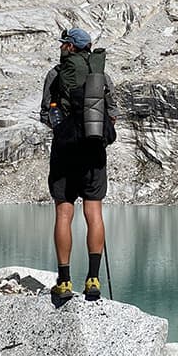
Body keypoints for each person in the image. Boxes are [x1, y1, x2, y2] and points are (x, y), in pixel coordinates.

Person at [39, 27, 116, 302]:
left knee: (64, 214)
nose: (61, 47)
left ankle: (64, 281)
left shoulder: (56, 75)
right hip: (94, 152)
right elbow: (113, 114)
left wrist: (65, 128)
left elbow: (46, 115)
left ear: (71, 47)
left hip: (64, 152)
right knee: (94, 213)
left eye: (64, 44)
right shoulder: (101, 76)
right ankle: (93, 279)